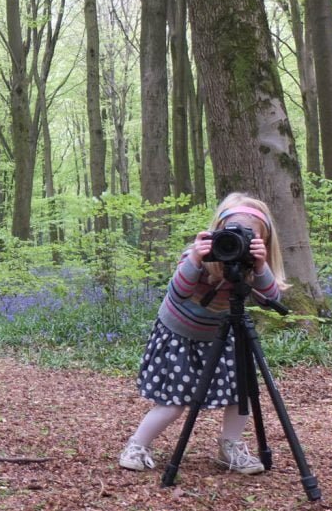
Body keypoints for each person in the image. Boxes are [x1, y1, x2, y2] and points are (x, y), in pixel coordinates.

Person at [119, 193, 288, 475]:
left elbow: (269, 297)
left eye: (249, 237)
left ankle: (230, 445)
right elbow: (179, 291)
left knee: (240, 393)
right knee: (175, 402)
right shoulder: (198, 255)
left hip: (222, 335)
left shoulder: (254, 265)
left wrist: (260, 265)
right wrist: (196, 258)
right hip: (179, 335)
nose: (237, 242)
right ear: (216, 231)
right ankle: (137, 444)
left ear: (264, 242)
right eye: (229, 233)